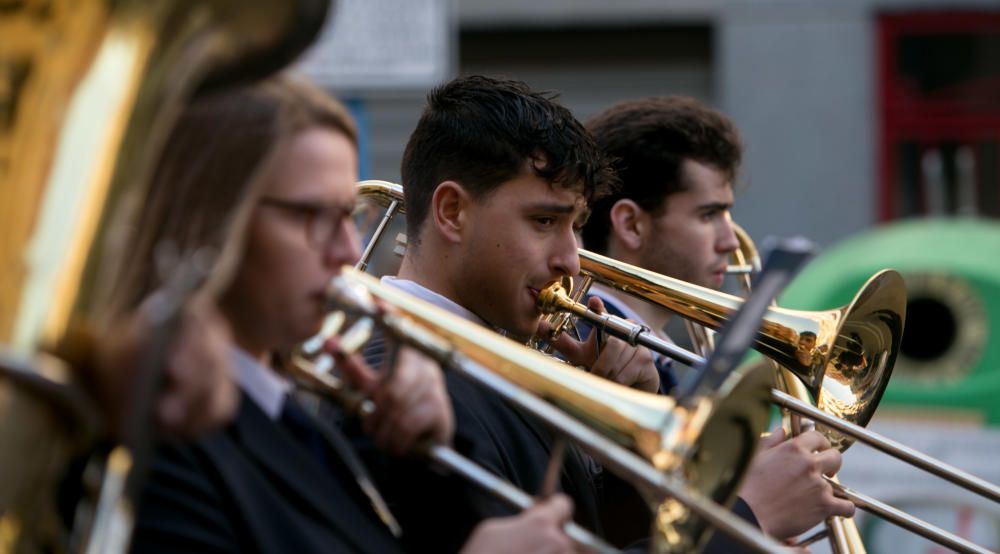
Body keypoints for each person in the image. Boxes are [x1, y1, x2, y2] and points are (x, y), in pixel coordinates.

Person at [124, 74, 579, 554]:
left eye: (348, 216)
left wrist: (422, 460)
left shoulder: (294, 417)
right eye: (310, 216)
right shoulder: (159, 444)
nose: (347, 250)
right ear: (210, 224)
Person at [356, 74, 665, 551]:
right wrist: (747, 521)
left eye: (576, 225)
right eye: (544, 221)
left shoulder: (499, 360)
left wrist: (624, 442)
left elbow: (602, 537)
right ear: (453, 212)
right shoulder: (393, 382)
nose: (572, 260)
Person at [580, 95, 857, 541]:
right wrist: (747, 519)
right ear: (630, 224)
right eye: (708, 215)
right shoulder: (586, 348)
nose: (731, 240)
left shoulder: (662, 358)